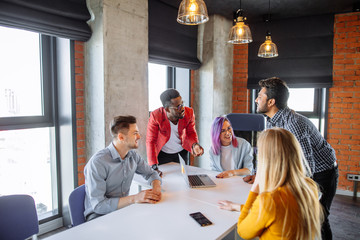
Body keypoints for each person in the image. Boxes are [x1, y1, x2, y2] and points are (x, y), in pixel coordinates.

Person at [246, 77, 338, 240]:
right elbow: (271, 153)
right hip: (311, 170)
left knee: (318, 218)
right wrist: (259, 174)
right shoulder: (272, 120)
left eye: (260, 96)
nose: (256, 99)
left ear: (271, 102)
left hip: (323, 173)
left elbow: (306, 168)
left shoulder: (292, 125)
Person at [218, 128, 323, 240]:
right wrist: (237, 206)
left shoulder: (270, 200)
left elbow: (243, 231)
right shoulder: (309, 186)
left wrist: (254, 189)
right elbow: (270, 213)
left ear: (266, 159)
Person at [84, 115, 162, 221]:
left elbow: (152, 174)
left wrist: (156, 190)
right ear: (121, 137)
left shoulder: (133, 156)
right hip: (98, 216)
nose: (139, 136)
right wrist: (135, 198)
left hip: (121, 210)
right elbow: (99, 206)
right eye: (135, 133)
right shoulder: (98, 163)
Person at [146, 88, 204, 176]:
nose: (183, 108)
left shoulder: (189, 113)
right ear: (167, 109)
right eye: (178, 107)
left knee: (182, 178)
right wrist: (153, 166)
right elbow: (151, 141)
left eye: (182, 104)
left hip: (181, 153)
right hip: (163, 154)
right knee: (165, 181)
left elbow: (191, 133)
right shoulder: (156, 116)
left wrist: (194, 145)